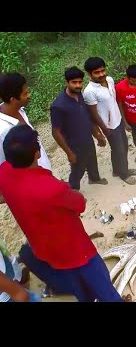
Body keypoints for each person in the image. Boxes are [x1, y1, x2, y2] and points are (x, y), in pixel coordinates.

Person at [0, 124, 124, 302]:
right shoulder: (51, 188)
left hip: (42, 245)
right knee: (103, 286)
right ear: (37, 153)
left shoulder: (3, 172)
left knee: (78, 288)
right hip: (73, 249)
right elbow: (80, 204)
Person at [83, 57, 136, 185]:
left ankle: (117, 170)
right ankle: (124, 174)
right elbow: (94, 115)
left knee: (122, 147)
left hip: (117, 120)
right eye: (97, 72)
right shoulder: (89, 92)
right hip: (109, 126)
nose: (101, 74)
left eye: (103, 70)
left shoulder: (109, 80)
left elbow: (114, 101)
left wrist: (122, 119)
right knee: (119, 149)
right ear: (89, 74)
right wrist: (104, 130)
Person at [50, 66, 108, 191]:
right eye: (74, 82)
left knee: (92, 159)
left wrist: (97, 134)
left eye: (80, 82)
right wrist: (69, 153)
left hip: (87, 138)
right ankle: (74, 190)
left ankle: (94, 178)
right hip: (74, 145)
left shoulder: (79, 95)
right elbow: (56, 132)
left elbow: (86, 117)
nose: (77, 85)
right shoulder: (58, 106)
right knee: (78, 169)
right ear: (66, 82)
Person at [0, 72, 51, 170]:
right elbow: (3, 167)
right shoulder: (2, 131)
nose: (29, 95)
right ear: (13, 99)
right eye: (25, 94)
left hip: (43, 173)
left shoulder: (20, 110)